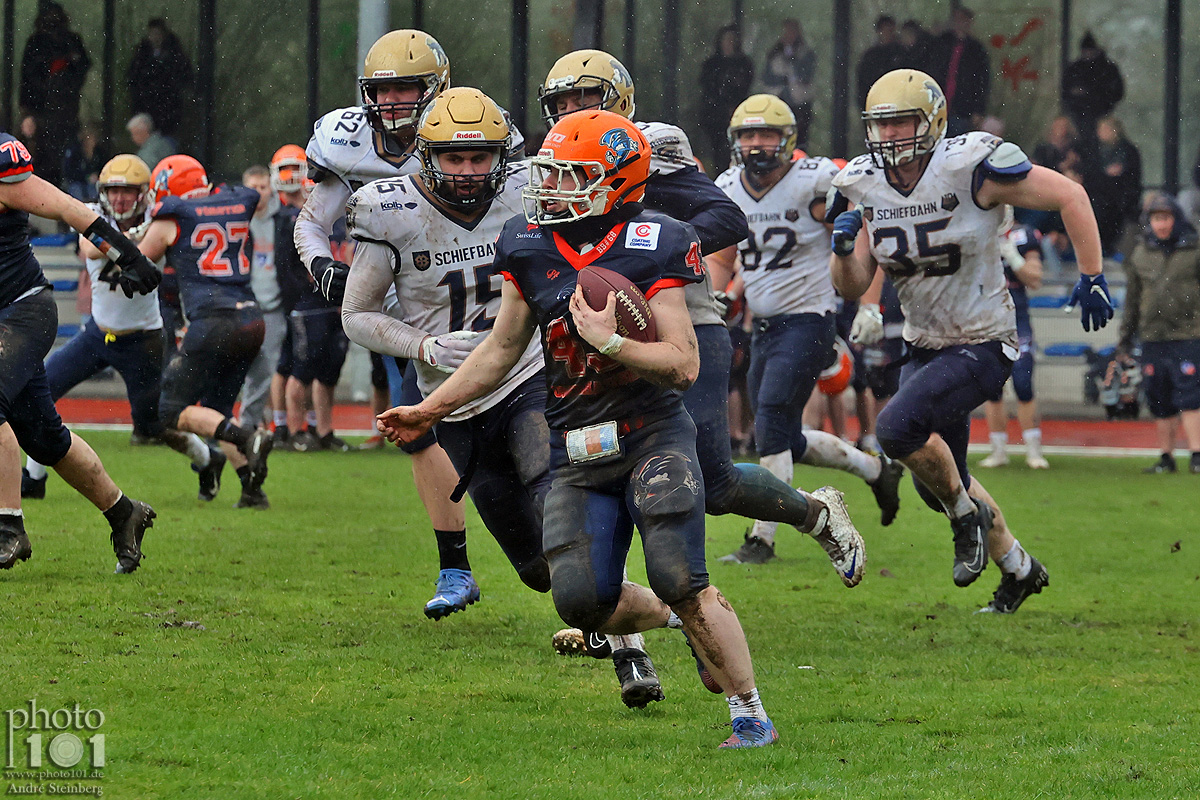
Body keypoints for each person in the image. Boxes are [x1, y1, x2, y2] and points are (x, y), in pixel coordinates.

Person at [379, 111, 784, 748]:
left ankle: (749, 713)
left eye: (571, 176)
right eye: (551, 174)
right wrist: (428, 411)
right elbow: (499, 348)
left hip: (652, 432)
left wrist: (612, 340)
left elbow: (683, 363)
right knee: (578, 599)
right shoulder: (528, 240)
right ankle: (682, 624)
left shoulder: (659, 238)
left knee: (681, 573)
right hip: (576, 445)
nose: (554, 188)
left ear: (618, 181)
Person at [538, 54, 865, 698]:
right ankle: (637, 646)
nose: (575, 110)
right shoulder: (547, 167)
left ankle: (813, 515)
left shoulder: (651, 149)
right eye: (565, 99)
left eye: (589, 97)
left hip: (684, 331)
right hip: (582, 342)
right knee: (600, 485)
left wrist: (641, 241)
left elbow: (726, 218)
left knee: (707, 479)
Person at [828, 69, 1112, 613]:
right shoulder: (863, 183)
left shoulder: (970, 168)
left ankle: (968, 518)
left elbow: (1071, 195)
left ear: (932, 121)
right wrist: (842, 251)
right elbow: (854, 284)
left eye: (902, 123)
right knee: (937, 484)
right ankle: (1020, 568)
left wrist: (1091, 274)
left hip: (984, 342)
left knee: (895, 429)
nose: (890, 137)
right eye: (881, 126)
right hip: (925, 344)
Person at [341, 86, 552, 636]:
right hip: (455, 399)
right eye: (452, 157)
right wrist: (422, 345)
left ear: (500, 155)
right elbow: (356, 314)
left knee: (551, 489)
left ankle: (627, 628)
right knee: (536, 570)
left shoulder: (527, 192)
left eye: (478, 156)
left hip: (528, 371)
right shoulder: (388, 208)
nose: (466, 170)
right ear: (427, 155)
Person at [295, 29, 482, 614]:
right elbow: (311, 221)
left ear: (438, 89)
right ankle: (455, 566)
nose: (394, 102)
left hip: (472, 294)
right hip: (402, 308)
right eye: (385, 90)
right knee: (416, 425)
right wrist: (325, 268)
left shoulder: (469, 130)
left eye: (407, 88)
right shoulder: (345, 140)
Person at [711, 93, 902, 565]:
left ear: (788, 139)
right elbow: (721, 254)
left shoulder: (815, 178)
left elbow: (868, 212)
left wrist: (867, 298)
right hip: (763, 325)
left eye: (766, 134)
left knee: (772, 417)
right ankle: (876, 472)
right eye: (747, 135)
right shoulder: (729, 185)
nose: (756, 145)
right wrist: (719, 293)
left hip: (811, 319)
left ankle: (762, 538)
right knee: (785, 438)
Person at [21, 153, 224, 502]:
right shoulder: (95, 215)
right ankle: (33, 477)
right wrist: (131, 235)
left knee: (152, 425)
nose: (119, 198)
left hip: (142, 341)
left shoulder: (160, 219)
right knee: (41, 391)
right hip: (98, 334)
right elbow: (90, 246)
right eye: (113, 190)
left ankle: (207, 459)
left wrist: (142, 230)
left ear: (143, 193)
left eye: (127, 191)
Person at [0, 131, 157, 573]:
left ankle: (8, 527)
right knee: (46, 439)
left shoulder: (3, 166)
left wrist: (128, 257)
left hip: (21, 310)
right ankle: (124, 513)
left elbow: (72, 210)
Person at [136, 155, 275, 508]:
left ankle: (248, 438)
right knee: (216, 411)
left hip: (214, 321)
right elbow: (244, 195)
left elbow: (140, 259)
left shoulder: (173, 218)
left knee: (169, 411)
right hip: (251, 318)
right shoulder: (235, 201)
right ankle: (252, 490)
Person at [1118, 193, 1200, 475]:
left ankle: (1196, 453)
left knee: (1190, 395)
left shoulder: (1195, 249)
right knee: (1158, 397)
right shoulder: (1141, 253)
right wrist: (1125, 338)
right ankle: (1166, 456)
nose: (1161, 225)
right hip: (1152, 334)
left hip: (1189, 333)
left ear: (1176, 220)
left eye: (1166, 218)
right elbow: (1132, 300)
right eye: (1156, 219)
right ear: (1149, 222)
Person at [980, 208, 1049, 469]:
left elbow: (1035, 279)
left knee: (1022, 381)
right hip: (986, 317)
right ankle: (998, 450)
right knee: (991, 387)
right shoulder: (975, 232)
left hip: (1016, 317)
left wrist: (1011, 255)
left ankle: (1033, 450)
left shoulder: (1024, 235)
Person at [18, 2, 89, 191]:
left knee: (65, 155)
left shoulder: (71, 41)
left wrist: (65, 74)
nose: (53, 21)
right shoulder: (36, 43)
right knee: (42, 155)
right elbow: (27, 77)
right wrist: (27, 111)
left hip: (66, 109)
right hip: (40, 108)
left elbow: (82, 66)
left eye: (56, 16)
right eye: (49, 16)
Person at [237, 161, 286, 432]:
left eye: (263, 187)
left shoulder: (284, 220)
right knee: (242, 368)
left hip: (274, 306)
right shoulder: (234, 220)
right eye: (252, 187)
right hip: (243, 305)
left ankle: (248, 424)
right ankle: (250, 420)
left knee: (265, 368)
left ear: (271, 189)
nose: (258, 192)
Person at [698, 26, 754, 172]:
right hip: (714, 117)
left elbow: (743, 86)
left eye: (732, 40)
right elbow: (707, 87)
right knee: (718, 151)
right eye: (726, 39)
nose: (729, 43)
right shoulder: (711, 64)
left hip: (736, 115)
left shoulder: (744, 64)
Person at [127, 18, 193, 138]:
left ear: (164, 35)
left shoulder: (175, 54)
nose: (155, 38)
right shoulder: (141, 55)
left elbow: (185, 77)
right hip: (146, 106)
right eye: (152, 34)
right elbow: (133, 79)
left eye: (158, 34)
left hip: (168, 109)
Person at [928, 7, 989, 137]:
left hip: (962, 107)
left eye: (963, 20)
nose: (959, 23)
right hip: (938, 104)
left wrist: (978, 110)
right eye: (956, 20)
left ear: (969, 22)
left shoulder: (976, 49)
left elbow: (982, 82)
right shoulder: (941, 42)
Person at [1086, 116, 1141, 257]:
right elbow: (1090, 175)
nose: (1101, 132)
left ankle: (1112, 249)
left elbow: (1133, 178)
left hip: (1122, 196)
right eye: (1100, 129)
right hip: (1099, 195)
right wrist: (1105, 175)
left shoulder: (1128, 150)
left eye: (1106, 129)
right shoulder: (1094, 150)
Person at [760, 20, 816, 147]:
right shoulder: (773, 54)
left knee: (799, 139)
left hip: (799, 102)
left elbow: (805, 76)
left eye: (791, 31)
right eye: (785, 31)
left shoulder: (805, 53)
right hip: (778, 100)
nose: (788, 35)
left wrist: (792, 62)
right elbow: (767, 78)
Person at [1062, 32, 1124, 143]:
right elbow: (1065, 91)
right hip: (1078, 115)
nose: (1087, 54)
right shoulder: (1075, 69)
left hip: (1102, 113)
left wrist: (1093, 95)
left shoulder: (1107, 69)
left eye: (1089, 51)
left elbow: (1117, 92)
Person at [857, 16, 905, 110]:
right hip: (875, 105)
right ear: (879, 32)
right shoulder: (870, 56)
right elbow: (863, 83)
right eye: (885, 30)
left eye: (890, 30)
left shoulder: (901, 53)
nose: (888, 34)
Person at [62, 123, 106, 202]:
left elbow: (103, 167)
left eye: (94, 138)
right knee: (77, 190)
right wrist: (86, 177)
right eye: (89, 138)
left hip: (94, 184)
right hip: (76, 183)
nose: (92, 141)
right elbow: (68, 171)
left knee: (95, 191)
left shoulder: (99, 152)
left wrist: (98, 176)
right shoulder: (74, 151)